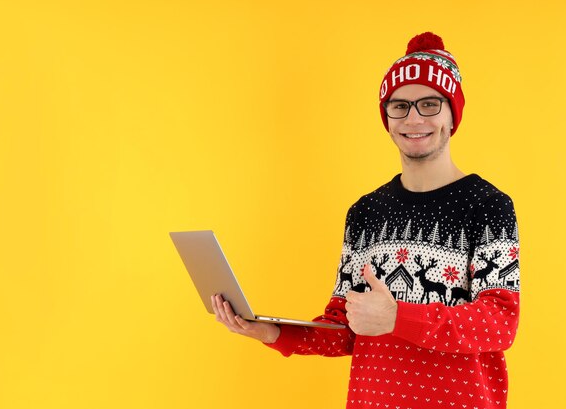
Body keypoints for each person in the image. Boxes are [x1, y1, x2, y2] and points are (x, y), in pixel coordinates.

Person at [211, 32, 520, 409]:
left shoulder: (488, 206)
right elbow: (344, 330)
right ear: (386, 117)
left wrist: (397, 316)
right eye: (399, 106)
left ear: (452, 112)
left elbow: (498, 322)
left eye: (429, 104)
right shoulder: (365, 213)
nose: (414, 118)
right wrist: (272, 332)